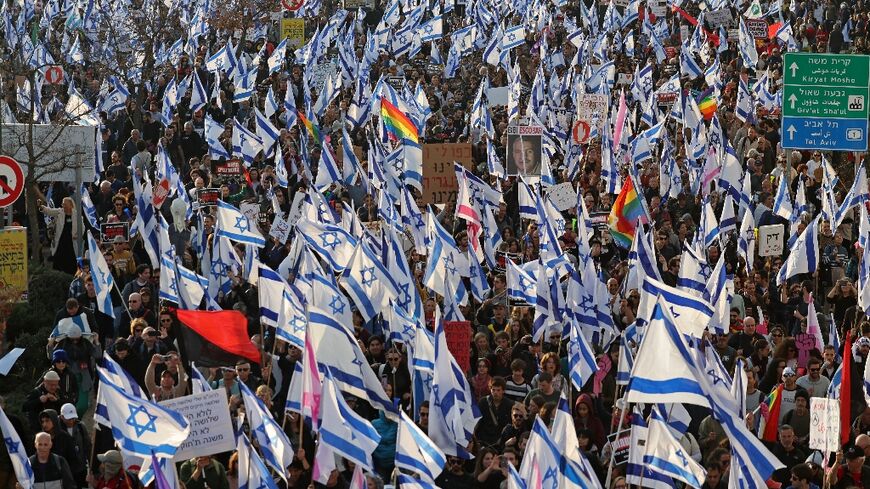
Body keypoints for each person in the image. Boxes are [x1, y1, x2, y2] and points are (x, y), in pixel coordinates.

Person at [39, 197, 81, 275]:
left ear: (70, 205)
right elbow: (49, 211)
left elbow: (82, 227)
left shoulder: (77, 215)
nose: (63, 206)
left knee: (71, 260)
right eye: (63, 204)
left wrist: (78, 234)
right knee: (59, 259)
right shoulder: (59, 212)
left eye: (65, 204)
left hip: (71, 242)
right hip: (61, 240)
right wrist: (41, 207)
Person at [59, 404, 90, 488]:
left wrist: (91, 469)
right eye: (69, 419)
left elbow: (88, 447)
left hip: (81, 469)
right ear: (62, 417)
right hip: (66, 471)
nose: (71, 421)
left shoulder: (81, 427)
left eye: (73, 418)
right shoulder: (57, 429)